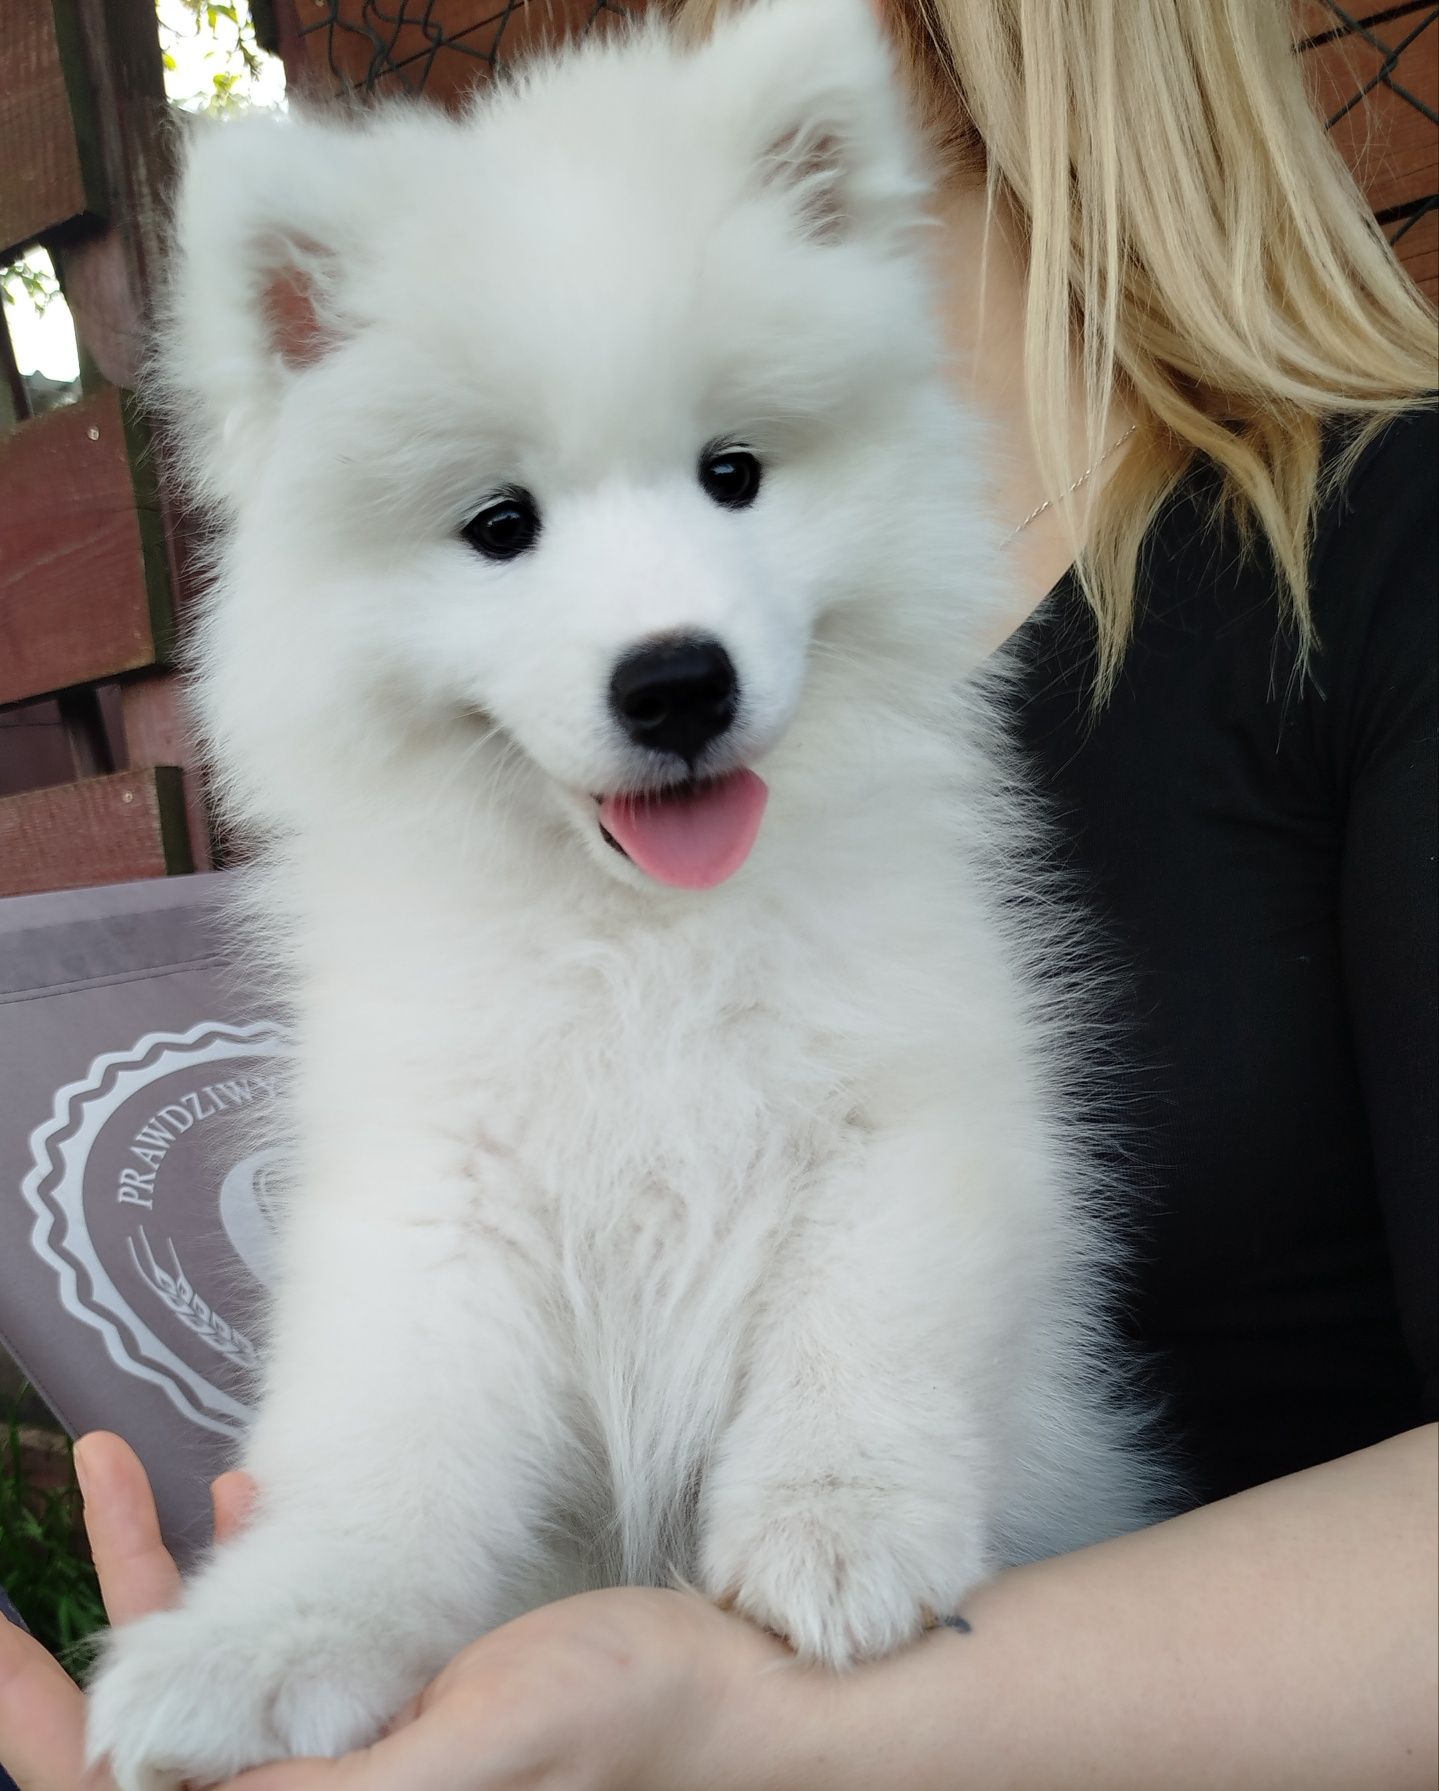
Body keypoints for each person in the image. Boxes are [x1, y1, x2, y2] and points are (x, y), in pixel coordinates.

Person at [2, 0, 1434, 1784]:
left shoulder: (1369, 569)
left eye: (732, 475)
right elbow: (433, 1239)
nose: (665, 629)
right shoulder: (406, 914)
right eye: (503, 524)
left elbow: (917, 1142)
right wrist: (348, 1587)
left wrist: (836, 1481)